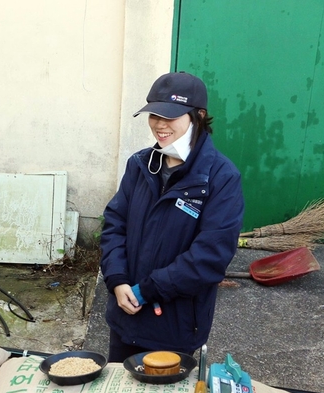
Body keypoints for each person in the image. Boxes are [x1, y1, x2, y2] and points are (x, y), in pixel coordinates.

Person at [99, 71, 244, 363]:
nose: (160, 125)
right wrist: (117, 280)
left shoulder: (220, 177)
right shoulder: (140, 164)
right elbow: (115, 225)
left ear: (198, 116)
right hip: (124, 316)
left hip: (173, 326)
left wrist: (148, 290)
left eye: (171, 116)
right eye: (154, 114)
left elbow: (210, 257)